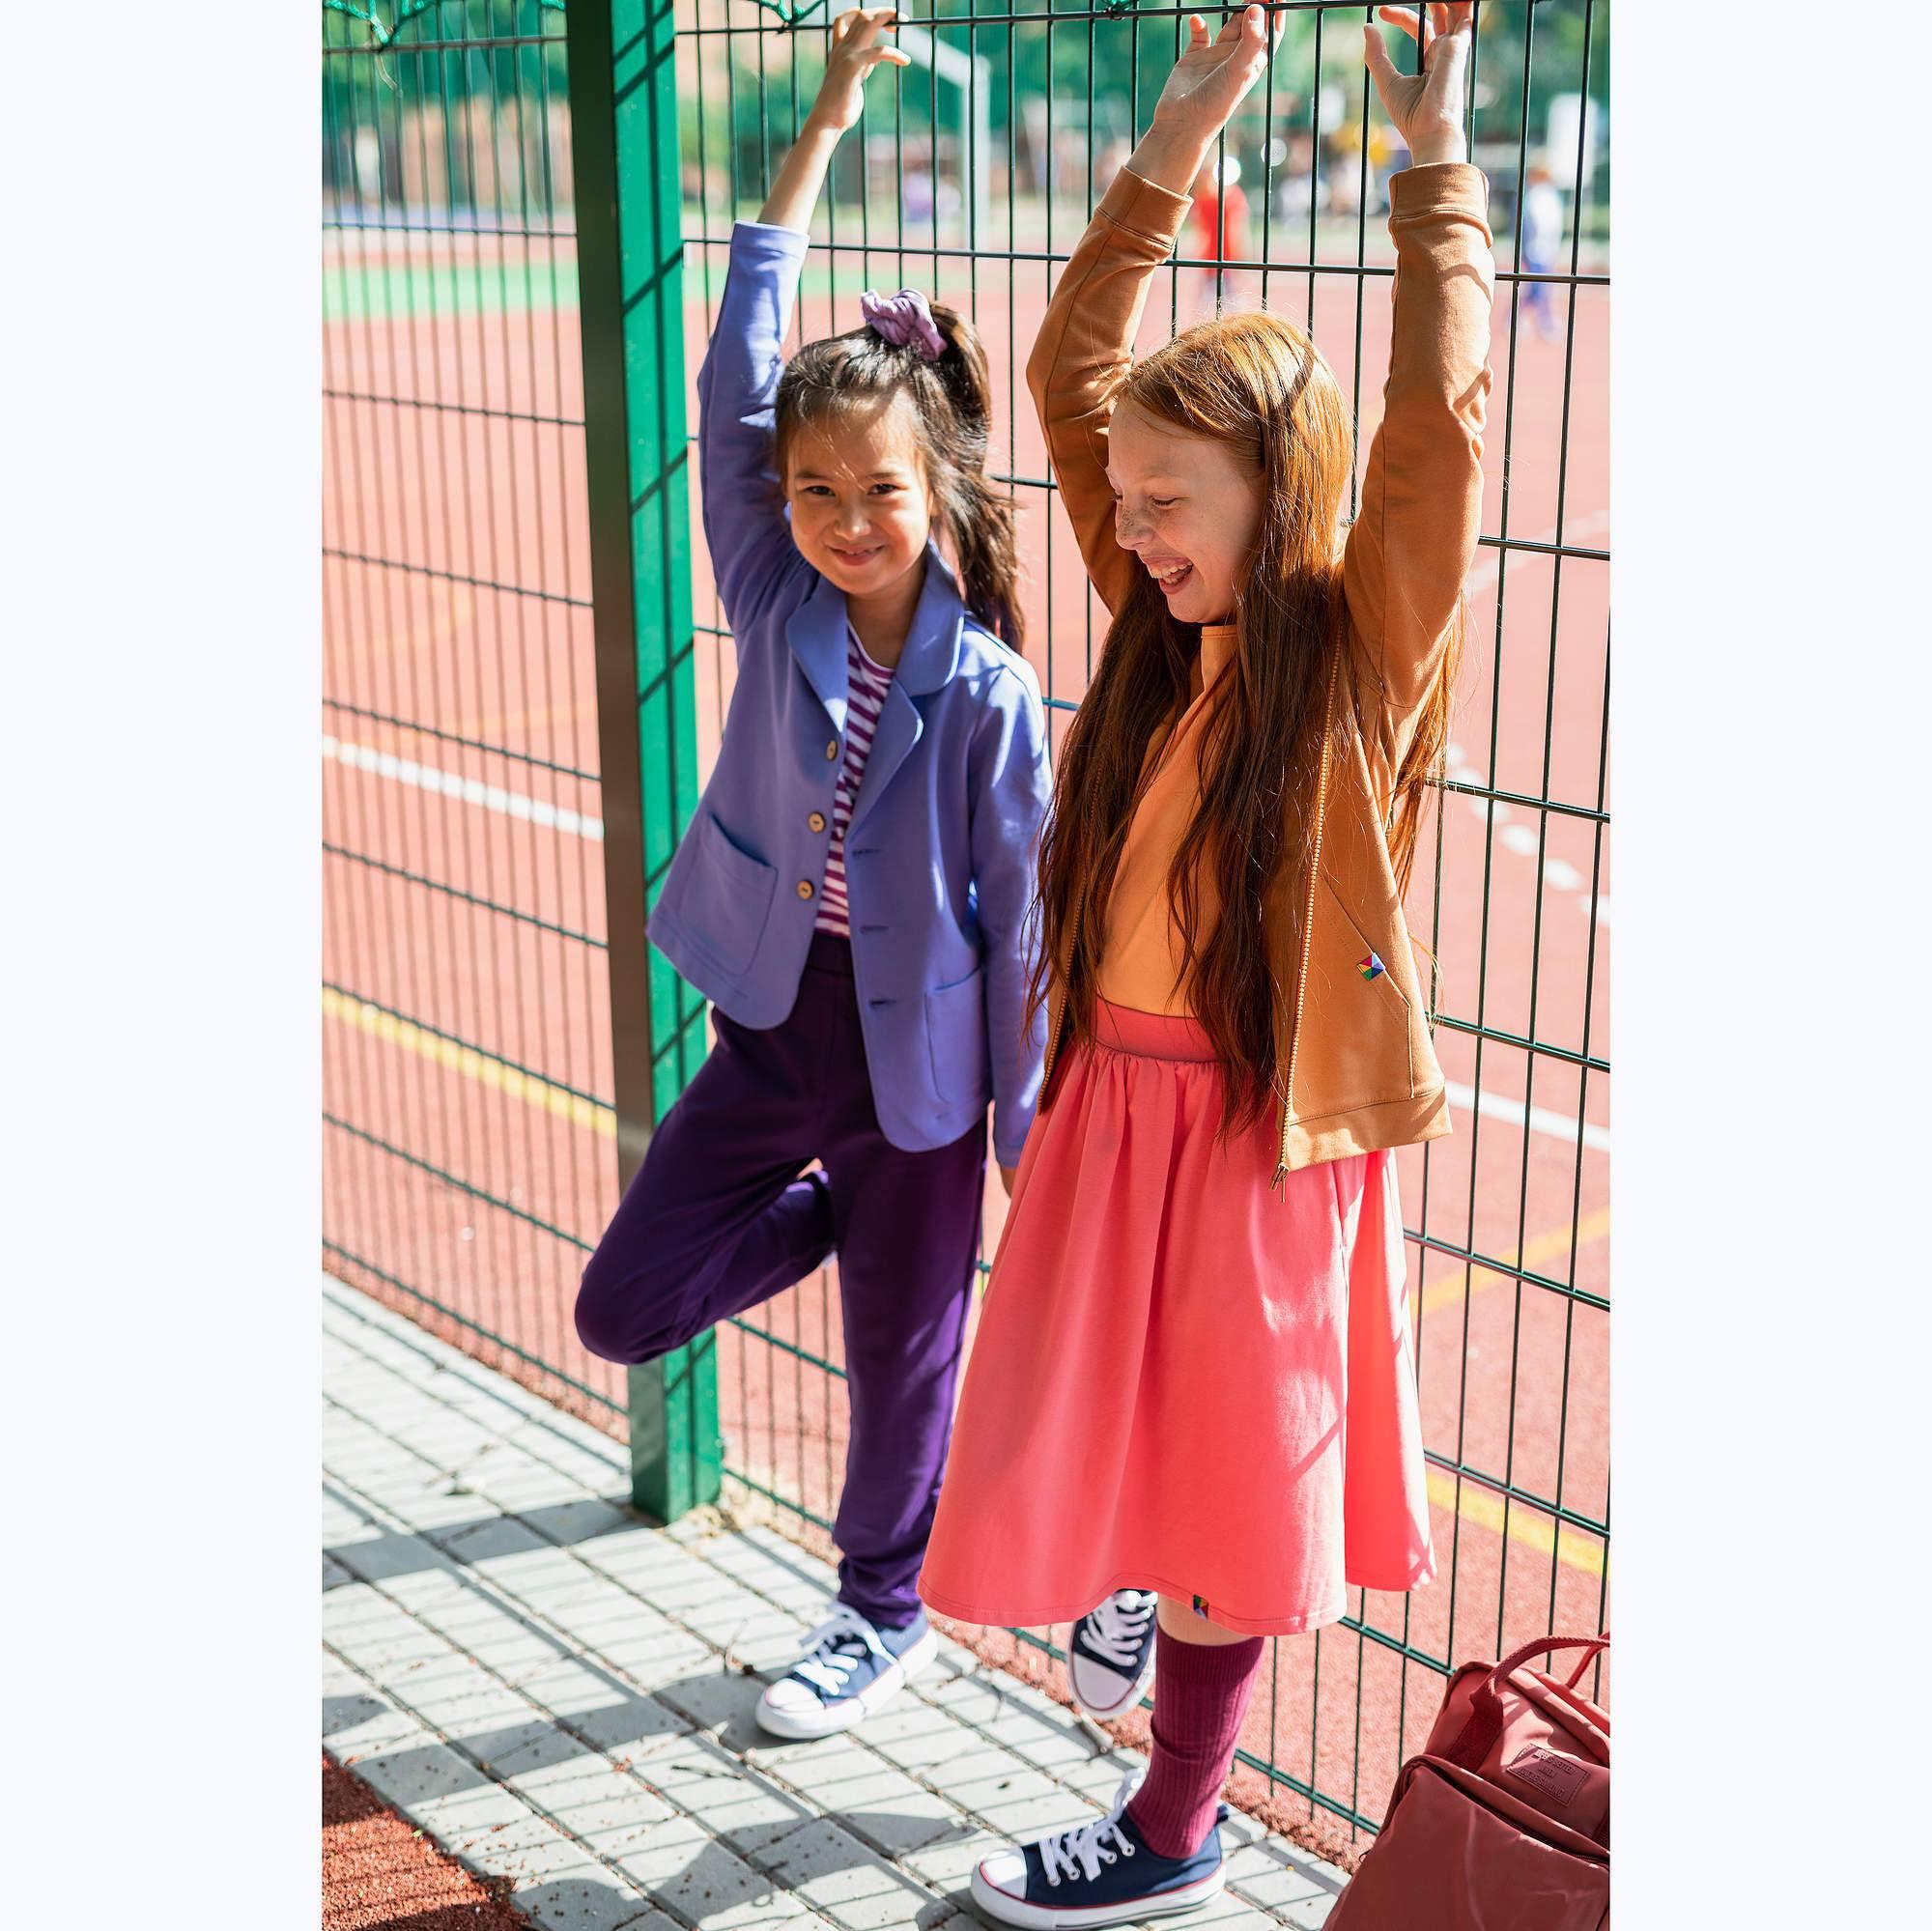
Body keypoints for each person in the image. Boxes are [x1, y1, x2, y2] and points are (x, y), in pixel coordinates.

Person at [917, 7, 1494, 1923]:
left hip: (1256, 1133)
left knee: (1235, 1513)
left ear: (1272, 486)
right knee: (1084, 1420)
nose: (1135, 532)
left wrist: (1434, 182)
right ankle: (1121, 1616)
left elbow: (1436, 431)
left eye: (1172, 501)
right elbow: (1081, 372)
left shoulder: (1352, 650)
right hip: (1117, 1103)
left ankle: (1174, 1827)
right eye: (1132, 498)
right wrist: (1182, 123)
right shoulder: (1168, 644)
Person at [573, 9, 1052, 1743]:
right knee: (624, 1303)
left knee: (900, 1361)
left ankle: (881, 1606)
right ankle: (843, 1219)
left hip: (920, 1072)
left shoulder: (991, 694)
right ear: (780, 500)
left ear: (942, 491)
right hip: (778, 1022)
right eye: (816, 488)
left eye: (881, 490)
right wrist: (827, 120)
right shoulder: (771, 597)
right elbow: (728, 370)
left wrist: (1022, 1129)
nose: (847, 514)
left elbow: (1023, 935)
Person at [1520, 157, 1566, 342]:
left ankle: (1517, 317)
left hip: (1546, 248)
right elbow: (1535, 223)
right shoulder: (1536, 194)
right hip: (1536, 248)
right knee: (1539, 287)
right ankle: (1544, 321)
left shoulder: (1547, 194)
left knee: (1539, 287)